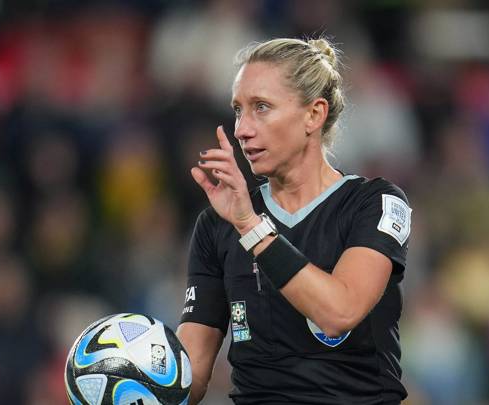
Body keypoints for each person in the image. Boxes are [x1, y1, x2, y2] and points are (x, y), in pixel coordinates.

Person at [176, 37, 412, 404]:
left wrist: (251, 227)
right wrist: (128, 378)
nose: (241, 129)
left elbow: (339, 311)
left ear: (313, 115)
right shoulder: (216, 225)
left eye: (262, 107)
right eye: (238, 109)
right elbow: (190, 378)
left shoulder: (373, 203)